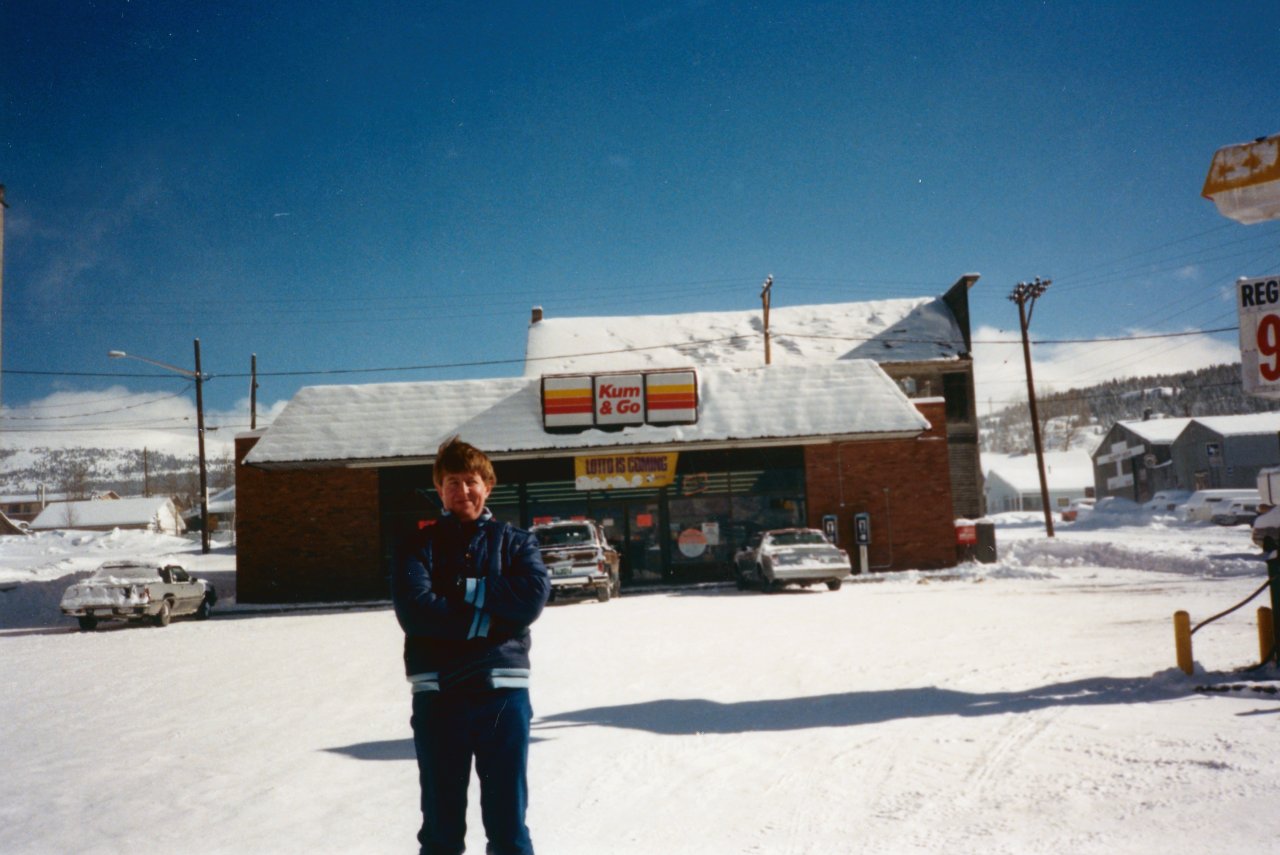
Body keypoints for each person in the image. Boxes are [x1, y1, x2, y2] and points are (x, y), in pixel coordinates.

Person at [392, 436, 550, 855]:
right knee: (441, 827)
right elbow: (415, 610)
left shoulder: (518, 542)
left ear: (488, 485)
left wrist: (466, 588)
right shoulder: (417, 545)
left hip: (502, 696)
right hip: (439, 696)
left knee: (508, 826)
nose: (462, 490)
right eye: (451, 482)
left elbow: (532, 596)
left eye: (470, 480)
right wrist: (491, 617)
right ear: (439, 490)